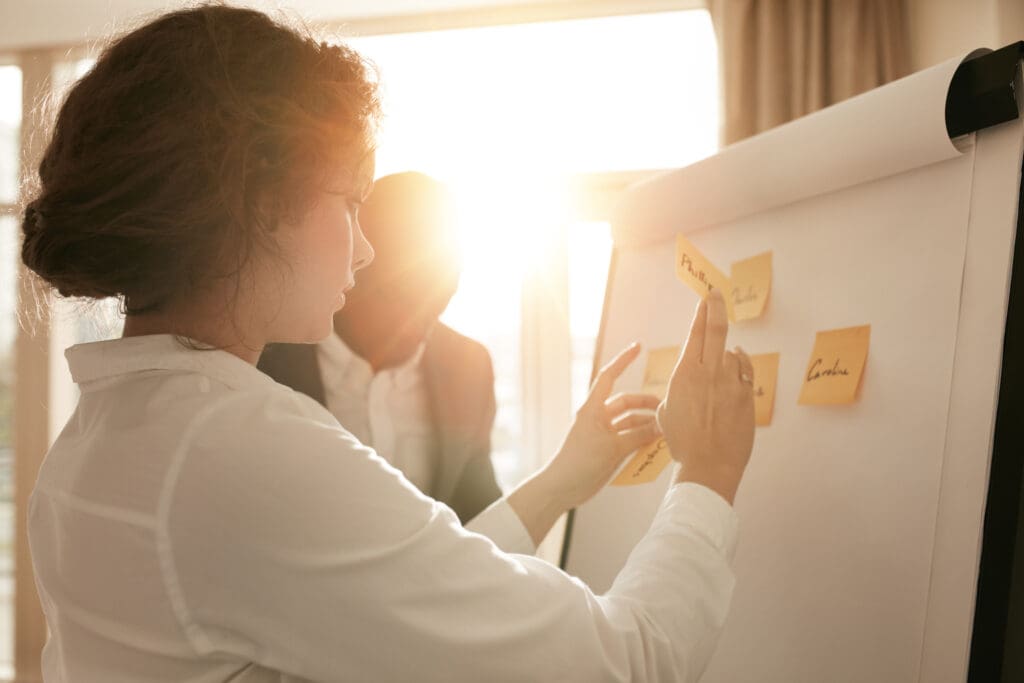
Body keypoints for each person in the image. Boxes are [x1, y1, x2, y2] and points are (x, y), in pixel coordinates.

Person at [21, 5, 756, 682]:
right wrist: (709, 475)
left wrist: (563, 478)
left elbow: (402, 584)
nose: (367, 250)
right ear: (259, 206)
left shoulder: (96, 440)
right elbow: (621, 661)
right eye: (348, 201)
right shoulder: (243, 447)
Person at [259, 172, 505, 528]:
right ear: (354, 270)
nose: (423, 320)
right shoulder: (267, 360)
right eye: (403, 298)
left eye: (441, 297)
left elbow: (478, 508)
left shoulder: (469, 366)